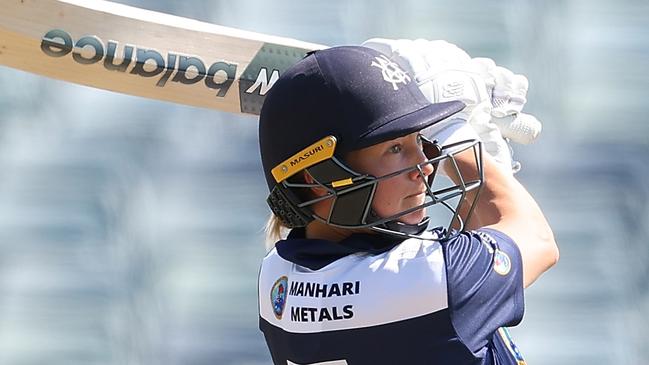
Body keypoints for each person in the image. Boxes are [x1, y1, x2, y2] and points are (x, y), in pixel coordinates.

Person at [257, 44, 558, 365]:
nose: (426, 166)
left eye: (420, 140)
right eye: (396, 148)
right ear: (318, 178)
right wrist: (457, 134)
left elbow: (442, 295)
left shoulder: (276, 280)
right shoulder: (431, 282)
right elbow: (537, 240)